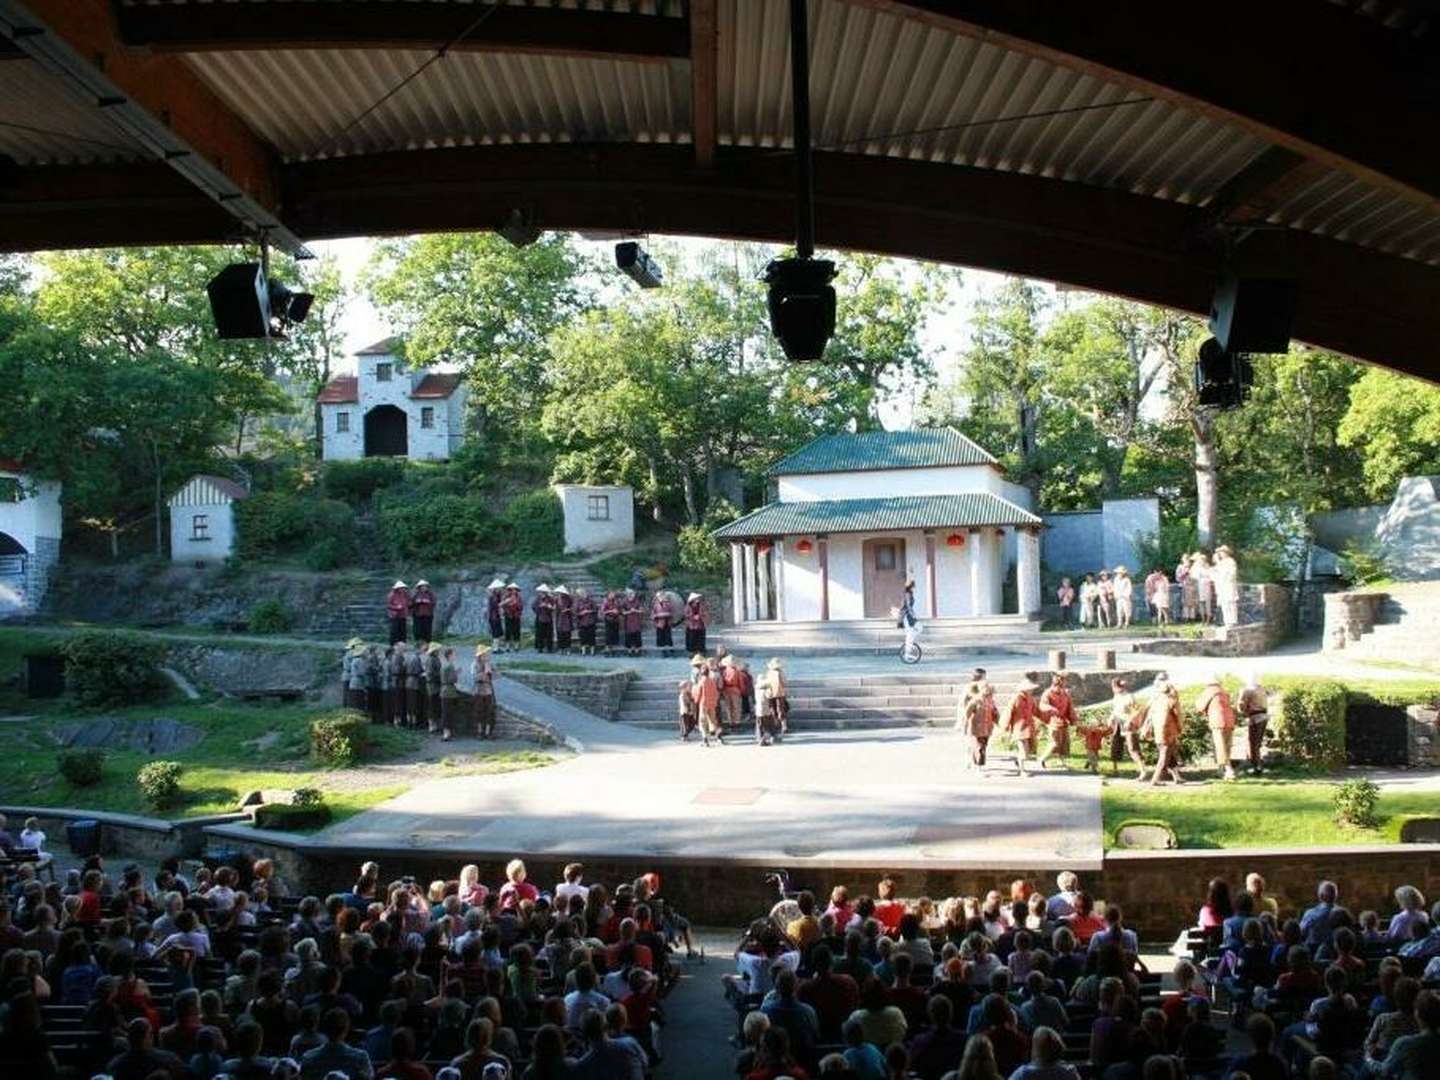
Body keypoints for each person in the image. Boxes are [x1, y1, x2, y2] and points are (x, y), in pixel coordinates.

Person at [1195, 673, 1238, 779]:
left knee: (1220, 746)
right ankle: (1220, 771)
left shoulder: (1209, 691)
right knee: (1227, 746)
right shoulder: (1224, 691)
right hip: (1230, 720)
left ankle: (1229, 771)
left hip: (1217, 720)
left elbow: (1199, 707)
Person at [1145, 674, 1183, 786]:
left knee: (1169, 753)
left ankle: (1177, 777)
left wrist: (1146, 728)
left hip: (1158, 729)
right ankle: (1154, 780)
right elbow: (1178, 714)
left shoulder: (1156, 699)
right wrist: (1181, 727)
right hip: (1168, 731)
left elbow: (1149, 714)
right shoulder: (1171, 699)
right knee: (1164, 755)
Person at [1037, 673, 1078, 770]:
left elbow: (1070, 708)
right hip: (1053, 722)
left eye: (1064, 683)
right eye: (1062, 683)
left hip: (1063, 722)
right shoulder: (1048, 693)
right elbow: (1042, 705)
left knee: (1064, 744)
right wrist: (1050, 708)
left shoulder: (1066, 694)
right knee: (1054, 743)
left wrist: (1074, 720)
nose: (1063, 685)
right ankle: (1042, 759)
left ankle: (1062, 763)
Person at [1108, 677, 1147, 776]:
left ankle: (1142, 770)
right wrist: (1111, 718)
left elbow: (1137, 711)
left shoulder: (1129, 697)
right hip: (1117, 723)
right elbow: (1115, 710)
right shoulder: (1116, 697)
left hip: (1128, 725)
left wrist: (1129, 720)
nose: (1113, 689)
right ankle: (1115, 769)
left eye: (1114, 687)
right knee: (1115, 745)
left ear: (1119, 687)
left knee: (1132, 747)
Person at [1003, 679, 1041, 777]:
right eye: (1030, 689)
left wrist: (1044, 718)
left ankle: (1019, 762)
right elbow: (1009, 712)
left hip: (1028, 727)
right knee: (1023, 750)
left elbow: (1035, 711)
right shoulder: (1016, 698)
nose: (1031, 690)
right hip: (1019, 728)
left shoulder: (1030, 699)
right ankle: (1022, 770)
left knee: (1027, 750)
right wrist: (1005, 726)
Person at [960, 672, 998, 769]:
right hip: (975, 729)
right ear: (980, 690)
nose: (987, 691)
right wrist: (964, 725)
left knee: (983, 746)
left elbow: (995, 713)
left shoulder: (990, 701)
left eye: (988, 689)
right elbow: (967, 714)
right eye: (985, 688)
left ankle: (972, 760)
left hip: (987, 729)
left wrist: (999, 723)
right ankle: (979, 767)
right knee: (979, 748)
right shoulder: (975, 701)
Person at [1238, 674, 1270, 774]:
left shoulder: (1248, 690)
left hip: (1255, 717)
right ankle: (1255, 763)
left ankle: (1256, 766)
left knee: (1253, 743)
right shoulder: (1262, 689)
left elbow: (1241, 705)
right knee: (1257, 742)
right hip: (1264, 716)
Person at [693, 655, 723, 746]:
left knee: (702, 722)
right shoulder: (711, 681)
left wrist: (696, 701)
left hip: (703, 703)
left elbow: (698, 693)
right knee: (713, 720)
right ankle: (718, 735)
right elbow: (716, 693)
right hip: (712, 703)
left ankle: (705, 739)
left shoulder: (702, 681)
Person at [471, 644, 496, 739]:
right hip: (479, 691)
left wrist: (490, 672)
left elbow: (497, 675)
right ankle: (480, 731)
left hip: (488, 691)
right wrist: (485, 673)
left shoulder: (489, 664)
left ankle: (488, 732)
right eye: (485, 654)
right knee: (479, 712)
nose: (487, 656)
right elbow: (476, 678)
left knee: (489, 712)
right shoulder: (474, 664)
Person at [761, 658, 789, 743]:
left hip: (771, 694)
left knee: (773, 710)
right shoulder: (780, 673)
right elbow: (785, 683)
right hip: (780, 693)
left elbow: (766, 683)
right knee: (781, 710)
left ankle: (775, 725)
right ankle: (783, 726)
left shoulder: (769, 673)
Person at [1213, 545, 1241, 627]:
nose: (1220, 554)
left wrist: (1224, 576)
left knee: (1230, 603)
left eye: (1222, 552)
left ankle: (1232, 621)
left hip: (1228, 585)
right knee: (1224, 604)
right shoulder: (1221, 563)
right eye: (1220, 553)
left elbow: (1232, 574)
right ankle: (1227, 621)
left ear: (1226, 553)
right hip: (1222, 586)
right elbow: (1216, 573)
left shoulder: (1230, 561)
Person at [439, 646, 460, 742]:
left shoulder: (444, 665)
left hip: (444, 690)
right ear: (450, 655)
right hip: (449, 691)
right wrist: (457, 673)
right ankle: (446, 733)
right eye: (454, 654)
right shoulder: (450, 666)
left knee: (446, 712)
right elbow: (452, 679)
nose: (455, 656)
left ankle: (446, 732)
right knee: (447, 713)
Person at [404, 640, 426, 731]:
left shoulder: (409, 657)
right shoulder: (416, 658)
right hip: (414, 683)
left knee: (410, 703)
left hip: (408, 682)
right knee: (414, 703)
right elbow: (418, 671)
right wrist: (423, 672)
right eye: (423, 648)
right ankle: (413, 723)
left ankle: (409, 721)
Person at [425, 642, 444, 735]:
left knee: (436, 705)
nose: (439, 651)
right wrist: (440, 677)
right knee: (432, 705)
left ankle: (435, 724)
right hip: (432, 686)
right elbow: (430, 674)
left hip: (436, 686)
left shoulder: (436, 659)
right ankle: (431, 724)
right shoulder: (431, 660)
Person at [387, 643, 408, 727]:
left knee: (398, 702)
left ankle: (398, 720)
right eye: (403, 648)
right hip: (398, 682)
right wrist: (405, 667)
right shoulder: (398, 657)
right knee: (397, 702)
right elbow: (397, 670)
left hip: (397, 682)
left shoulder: (395, 657)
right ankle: (397, 721)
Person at [651, 591, 675, 658]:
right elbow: (653, 615)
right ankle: (662, 652)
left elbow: (671, 613)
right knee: (660, 638)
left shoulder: (668, 604)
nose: (660, 598)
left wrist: (663, 615)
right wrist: (657, 617)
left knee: (668, 638)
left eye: (662, 596)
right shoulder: (655, 605)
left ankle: (671, 651)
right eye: (659, 597)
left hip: (667, 623)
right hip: (659, 624)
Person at [500, 584, 523, 652]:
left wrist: (516, 604)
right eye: (511, 589)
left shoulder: (519, 597)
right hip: (508, 615)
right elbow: (502, 605)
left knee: (516, 630)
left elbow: (521, 607)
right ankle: (507, 646)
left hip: (516, 616)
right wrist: (508, 603)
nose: (513, 591)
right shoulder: (506, 597)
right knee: (508, 631)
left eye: (515, 589)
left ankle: (516, 646)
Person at [574, 588, 598, 656]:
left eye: (583, 593)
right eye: (580, 594)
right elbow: (575, 612)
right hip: (582, 622)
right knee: (583, 637)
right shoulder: (578, 602)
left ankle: (592, 651)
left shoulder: (591, 601)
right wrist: (581, 613)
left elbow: (595, 609)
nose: (583, 595)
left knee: (591, 637)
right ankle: (583, 651)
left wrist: (588, 611)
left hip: (590, 621)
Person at [621, 589, 644, 657]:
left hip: (636, 621)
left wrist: (635, 610)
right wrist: (629, 612)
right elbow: (622, 612)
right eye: (630, 595)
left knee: (637, 635)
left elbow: (642, 611)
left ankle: (637, 650)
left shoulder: (637, 602)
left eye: (633, 595)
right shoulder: (625, 602)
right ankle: (629, 651)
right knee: (629, 636)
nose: (632, 596)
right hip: (628, 621)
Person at [532, 584, 555, 654]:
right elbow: (533, 607)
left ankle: (549, 648)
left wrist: (548, 606)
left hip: (548, 618)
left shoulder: (550, 599)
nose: (542, 593)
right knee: (540, 634)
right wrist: (540, 607)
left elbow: (553, 607)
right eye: (541, 592)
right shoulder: (537, 599)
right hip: (540, 618)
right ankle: (540, 648)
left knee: (549, 634)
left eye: (543, 592)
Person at [485, 578, 505, 651]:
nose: (501, 589)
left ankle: (497, 647)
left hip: (496, 616)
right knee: (496, 633)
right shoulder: (493, 596)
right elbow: (495, 606)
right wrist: (503, 603)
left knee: (499, 633)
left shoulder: (497, 595)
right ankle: (495, 648)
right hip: (494, 617)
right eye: (500, 588)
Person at [553, 585, 574, 654]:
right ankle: (561, 648)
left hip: (567, 617)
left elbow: (572, 607)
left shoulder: (569, 599)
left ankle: (567, 648)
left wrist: (568, 609)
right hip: (560, 618)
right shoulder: (557, 599)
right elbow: (555, 608)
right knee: (560, 634)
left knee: (567, 634)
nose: (560, 593)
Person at [601, 590, 621, 656]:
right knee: (608, 635)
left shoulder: (616, 601)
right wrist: (611, 611)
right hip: (608, 620)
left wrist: (617, 611)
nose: (613, 595)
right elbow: (603, 611)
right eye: (611, 594)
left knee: (614, 635)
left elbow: (620, 609)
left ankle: (613, 650)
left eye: (613, 594)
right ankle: (607, 650)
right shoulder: (605, 602)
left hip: (615, 620)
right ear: (608, 595)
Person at [1177, 554, 1196, 622]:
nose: (1186, 560)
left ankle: (1192, 617)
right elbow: (1178, 578)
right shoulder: (1180, 567)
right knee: (1185, 602)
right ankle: (1186, 617)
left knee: (1192, 603)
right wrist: (1184, 573)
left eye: (1187, 559)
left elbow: (1196, 577)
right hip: (1184, 586)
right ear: (1183, 559)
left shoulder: (1193, 568)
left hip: (1192, 586)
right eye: (1185, 559)